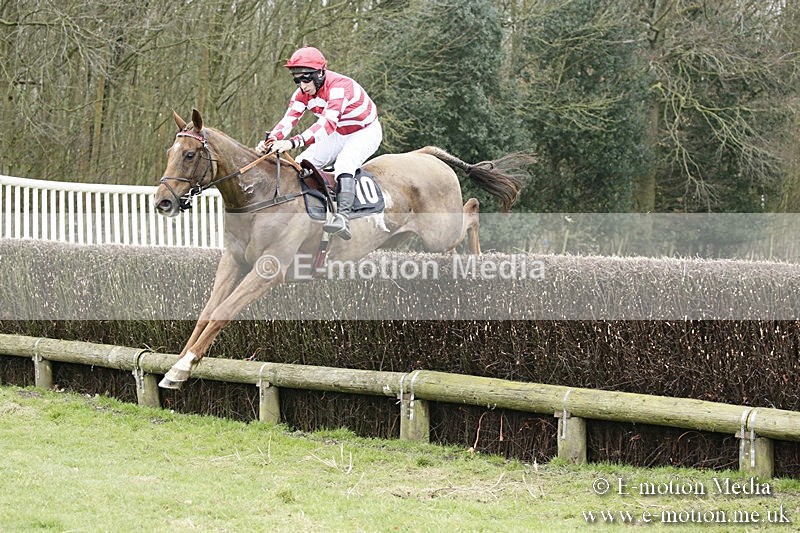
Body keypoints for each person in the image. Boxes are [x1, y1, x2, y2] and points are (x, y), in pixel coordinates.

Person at [256, 46, 382, 240]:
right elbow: (289, 120)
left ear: (321, 73)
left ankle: (343, 217)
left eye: (306, 77)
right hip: (338, 133)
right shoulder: (302, 94)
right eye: (297, 79)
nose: (302, 84)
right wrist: (271, 139)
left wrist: (292, 142)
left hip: (364, 132)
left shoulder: (340, 86)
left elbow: (327, 124)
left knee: (344, 164)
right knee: (301, 161)